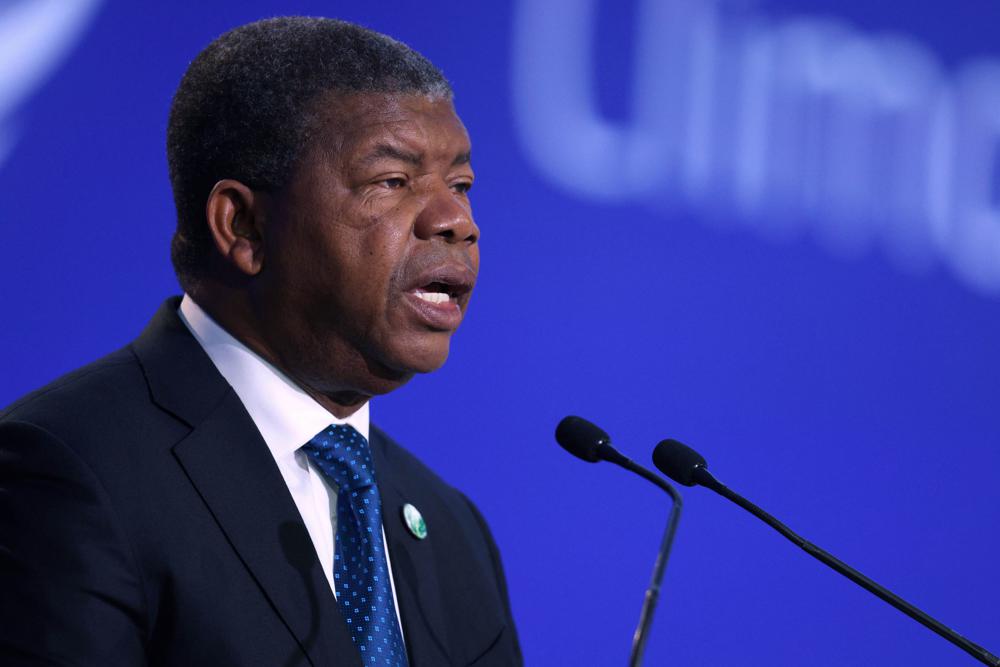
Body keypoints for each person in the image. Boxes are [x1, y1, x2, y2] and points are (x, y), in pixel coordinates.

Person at [0, 17, 521, 667]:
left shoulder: (453, 532)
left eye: (461, 185)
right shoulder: (67, 470)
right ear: (242, 226)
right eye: (393, 181)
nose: (456, 222)